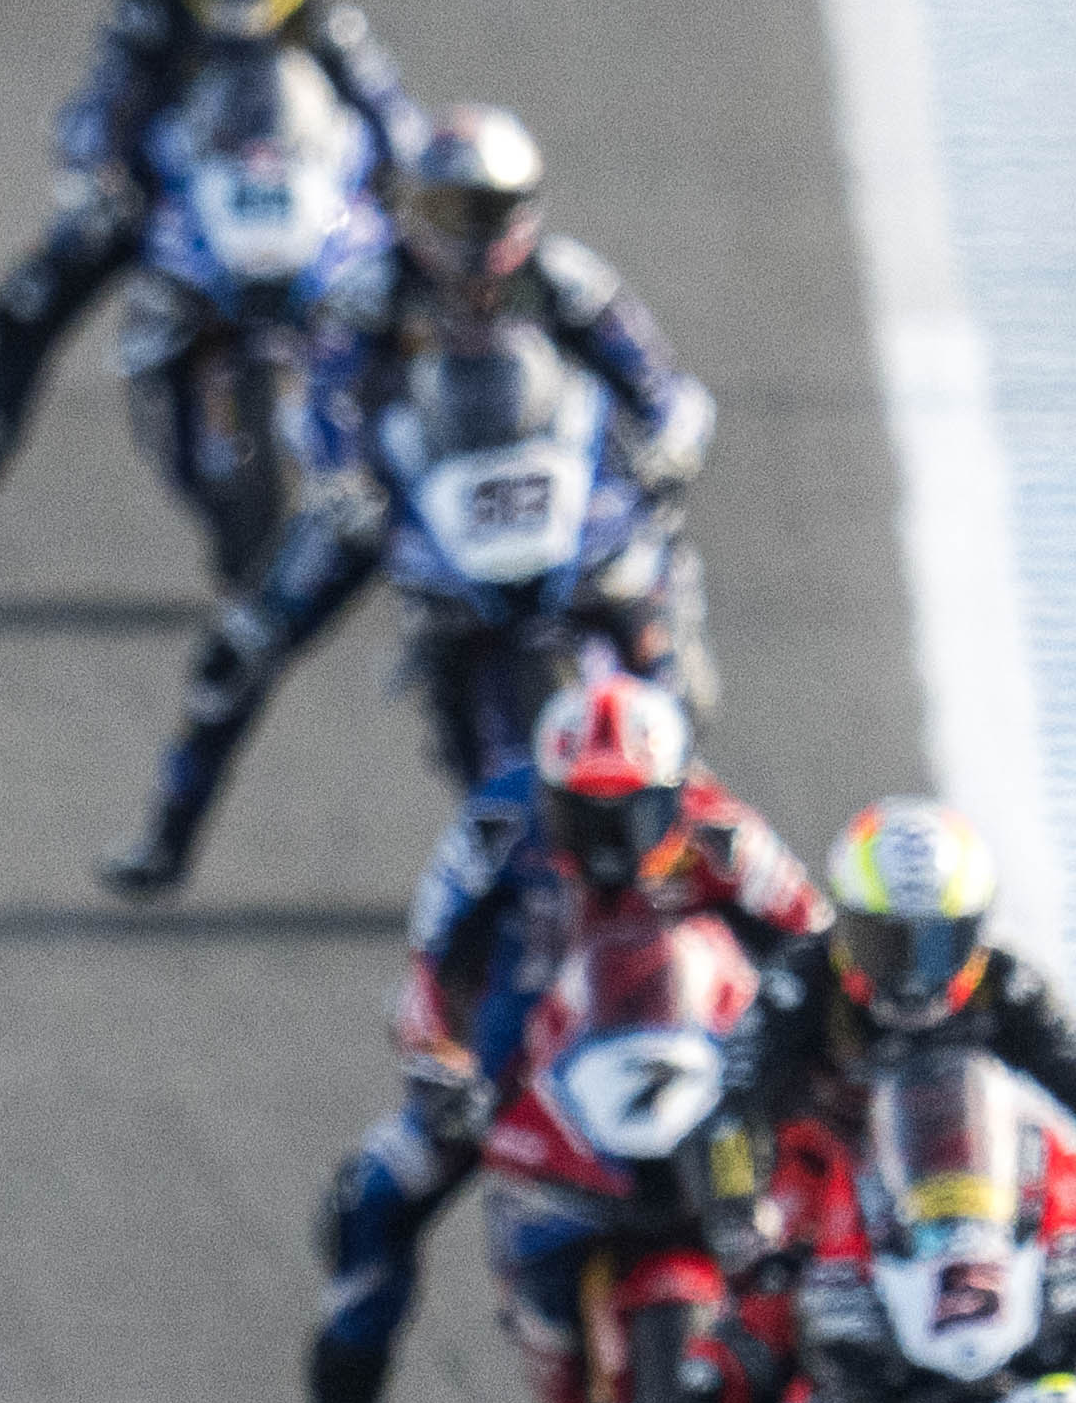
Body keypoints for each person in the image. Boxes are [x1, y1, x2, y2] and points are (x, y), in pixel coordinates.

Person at [230, 662, 822, 1403]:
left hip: (696, 1066)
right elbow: (430, 961)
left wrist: (807, 1074)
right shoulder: (495, 826)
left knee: (842, 1195)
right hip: (524, 1065)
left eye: (629, 812)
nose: (606, 839)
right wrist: (441, 1062)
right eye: (583, 813)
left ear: (674, 792)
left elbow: (821, 952)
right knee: (371, 1196)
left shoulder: (726, 835)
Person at [103, 106, 717, 901]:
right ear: (416, 210)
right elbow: (319, 400)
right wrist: (342, 480)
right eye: (450, 211)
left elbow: (661, 384)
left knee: (659, 622)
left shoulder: (567, 281)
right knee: (246, 642)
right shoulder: (372, 291)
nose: (470, 235)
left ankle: (702, 834)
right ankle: (169, 829)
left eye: (487, 211)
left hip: (555, 488)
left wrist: (672, 447)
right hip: (406, 497)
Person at [0, 0, 421, 541]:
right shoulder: (152, 9)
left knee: (428, 293)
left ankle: (424, 482)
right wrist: (95, 176)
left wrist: (407, 187)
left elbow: (394, 117)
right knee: (24, 305)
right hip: (170, 203)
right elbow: (101, 102)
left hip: (302, 205)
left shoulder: (328, 24)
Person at [745, 797, 1076, 1235]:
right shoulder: (799, 983)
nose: (912, 977)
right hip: (832, 1209)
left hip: (979, 1202)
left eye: (936, 945)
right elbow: (734, 1100)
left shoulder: (1006, 983)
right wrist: (736, 1213)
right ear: (846, 924)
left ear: (974, 932)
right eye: (885, 943)